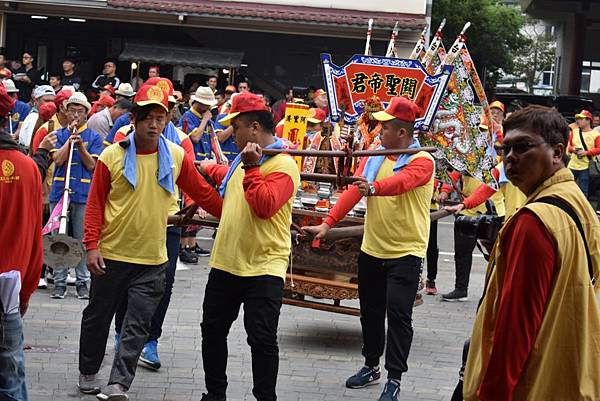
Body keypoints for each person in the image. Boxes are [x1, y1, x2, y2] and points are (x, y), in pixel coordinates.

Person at [78, 84, 223, 399]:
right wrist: (91, 246)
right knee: (97, 318)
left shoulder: (174, 155)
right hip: (111, 256)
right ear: (134, 119)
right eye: (148, 118)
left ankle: (119, 383)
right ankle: (88, 370)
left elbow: (202, 192)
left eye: (161, 118)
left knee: (137, 324)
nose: (155, 124)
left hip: (153, 259)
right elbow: (94, 206)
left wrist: (232, 212)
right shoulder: (111, 156)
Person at [463, 105, 600, 401]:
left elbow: (514, 330)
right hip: (571, 377)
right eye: (506, 148)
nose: (511, 156)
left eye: (523, 146)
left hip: (532, 384)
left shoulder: (533, 222)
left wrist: (492, 394)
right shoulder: (578, 202)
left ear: (557, 152)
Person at [303, 96, 434, 401]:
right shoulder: (377, 155)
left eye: (384, 126)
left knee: (399, 315)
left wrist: (373, 188)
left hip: (406, 252)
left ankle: (395, 378)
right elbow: (355, 190)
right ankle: (371, 365)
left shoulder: (422, 160)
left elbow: (402, 183)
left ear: (401, 132)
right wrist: (328, 224)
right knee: (370, 312)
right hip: (373, 248)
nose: (378, 130)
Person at [196, 92, 299, 401]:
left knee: (262, 338)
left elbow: (264, 205)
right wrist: (206, 168)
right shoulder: (242, 161)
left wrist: (253, 168)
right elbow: (227, 179)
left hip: (264, 266)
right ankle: (216, 395)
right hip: (226, 261)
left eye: (236, 127)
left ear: (254, 127)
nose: (232, 135)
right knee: (212, 331)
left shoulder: (283, 165)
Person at [110, 78, 195, 371]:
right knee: (125, 281)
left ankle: (151, 339)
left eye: (166, 109)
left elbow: (191, 182)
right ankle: (122, 333)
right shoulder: (122, 133)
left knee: (164, 283)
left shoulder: (181, 141)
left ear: (171, 110)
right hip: (128, 222)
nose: (158, 117)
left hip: (168, 222)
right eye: (150, 111)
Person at [0, 84, 43, 401]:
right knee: (12, 381)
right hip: (8, 296)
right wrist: (26, 292)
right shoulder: (28, 168)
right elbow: (33, 238)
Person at [48, 92, 103, 300]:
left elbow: (92, 165)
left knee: (81, 238)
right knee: (59, 238)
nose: (76, 115)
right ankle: (60, 282)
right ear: (66, 112)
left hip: (83, 193)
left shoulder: (94, 137)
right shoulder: (59, 134)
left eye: (80, 111)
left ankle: (82, 282)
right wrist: (69, 142)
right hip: (60, 192)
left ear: (87, 114)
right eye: (72, 111)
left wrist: (80, 146)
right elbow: (58, 160)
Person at [178, 86, 219, 261]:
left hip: (206, 165)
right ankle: (183, 245)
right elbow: (194, 138)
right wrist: (205, 120)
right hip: (193, 164)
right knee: (191, 205)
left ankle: (192, 243)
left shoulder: (206, 118)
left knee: (200, 205)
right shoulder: (188, 117)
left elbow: (212, 140)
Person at [567, 109, 600, 198]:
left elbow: (599, 149)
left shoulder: (595, 134)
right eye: (578, 119)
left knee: (583, 191)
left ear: (588, 120)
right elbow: (568, 147)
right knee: (567, 189)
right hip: (572, 165)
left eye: (581, 119)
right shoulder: (574, 132)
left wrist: (586, 152)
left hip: (585, 167)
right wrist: (573, 149)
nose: (578, 121)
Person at [18, 85, 55, 151]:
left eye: (52, 101)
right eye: (47, 100)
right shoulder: (34, 118)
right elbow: (30, 146)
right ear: (36, 100)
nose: (50, 104)